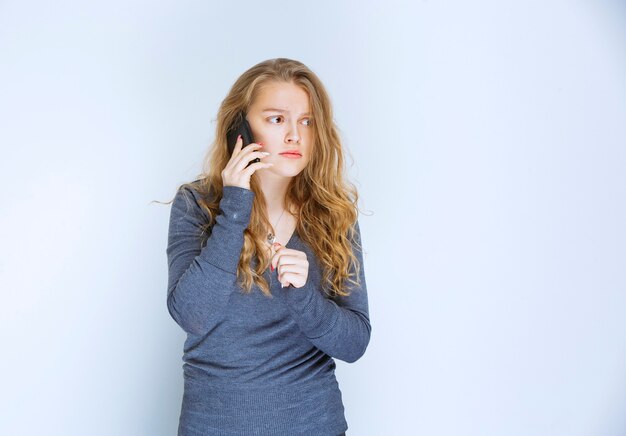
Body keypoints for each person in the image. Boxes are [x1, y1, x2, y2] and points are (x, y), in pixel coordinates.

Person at [165, 58, 371, 436]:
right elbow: (191, 314)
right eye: (277, 119)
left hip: (313, 425)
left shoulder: (333, 214)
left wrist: (305, 299)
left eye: (306, 121)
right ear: (240, 128)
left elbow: (355, 342)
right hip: (214, 426)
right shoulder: (197, 205)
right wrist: (235, 209)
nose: (295, 135)